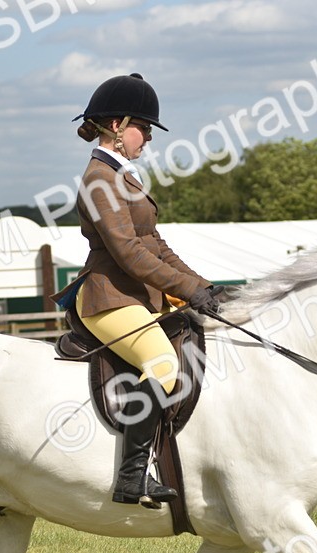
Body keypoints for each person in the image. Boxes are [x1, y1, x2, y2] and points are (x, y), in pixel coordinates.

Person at [51, 72, 221, 508]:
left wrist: (204, 287)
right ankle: (131, 478)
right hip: (108, 299)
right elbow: (128, 253)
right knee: (163, 364)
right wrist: (188, 289)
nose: (147, 137)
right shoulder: (99, 180)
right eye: (143, 128)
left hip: (136, 297)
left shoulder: (122, 177)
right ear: (116, 125)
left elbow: (155, 244)